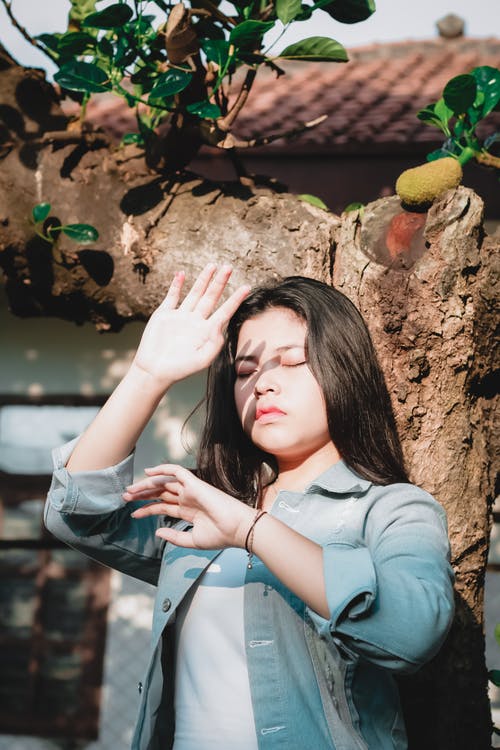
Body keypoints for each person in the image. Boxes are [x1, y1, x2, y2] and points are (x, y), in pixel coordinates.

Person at [45, 264, 455, 750]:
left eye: (292, 360)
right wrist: (146, 376)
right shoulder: (208, 506)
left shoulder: (391, 509)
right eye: (245, 370)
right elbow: (78, 514)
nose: (262, 383)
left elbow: (411, 634)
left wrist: (249, 529)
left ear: (344, 368)